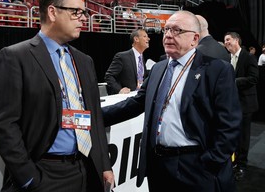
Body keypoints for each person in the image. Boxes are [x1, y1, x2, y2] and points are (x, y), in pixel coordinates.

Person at [0, 0, 114, 192]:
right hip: (45, 173)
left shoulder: (84, 61)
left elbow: (94, 117)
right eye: (76, 12)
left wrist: (103, 164)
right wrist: (29, 178)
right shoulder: (15, 57)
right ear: (52, 12)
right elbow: (4, 124)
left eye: (83, 12)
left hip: (86, 169)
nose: (83, 18)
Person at [102, 10, 242, 192]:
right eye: (166, 30)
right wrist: (94, 116)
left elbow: (230, 124)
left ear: (194, 39)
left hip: (196, 167)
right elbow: (136, 103)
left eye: (177, 30)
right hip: (158, 165)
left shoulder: (217, 70)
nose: (168, 35)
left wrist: (210, 161)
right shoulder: (159, 69)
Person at [224, 31, 259, 181]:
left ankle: (242, 165)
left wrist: (233, 81)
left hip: (245, 104)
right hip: (231, 104)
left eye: (228, 40)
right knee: (233, 134)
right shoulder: (227, 58)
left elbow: (253, 78)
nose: (226, 43)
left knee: (243, 136)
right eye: (224, 41)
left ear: (237, 40)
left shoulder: (248, 57)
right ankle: (233, 161)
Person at [104, 29, 150, 95]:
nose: (148, 39)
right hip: (126, 99)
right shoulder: (122, 57)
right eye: (145, 36)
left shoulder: (141, 57)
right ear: (136, 39)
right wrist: (119, 89)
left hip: (139, 95)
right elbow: (109, 76)